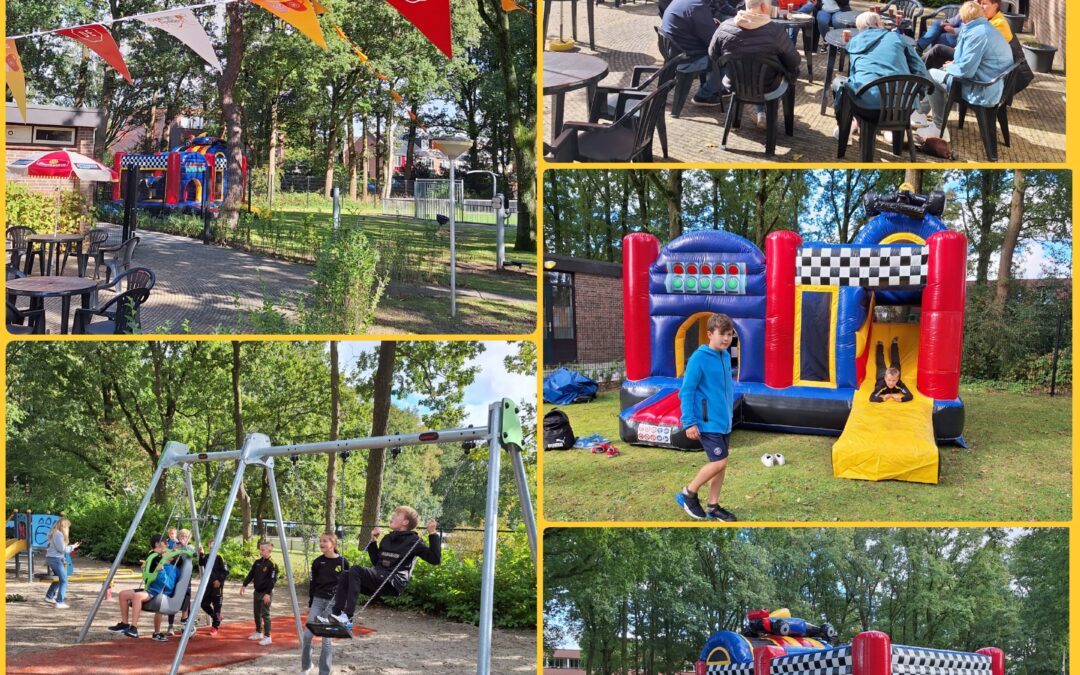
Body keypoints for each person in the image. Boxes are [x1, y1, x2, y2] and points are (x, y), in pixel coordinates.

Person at [323, 506, 441, 627]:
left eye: (397, 515)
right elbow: (376, 562)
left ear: (405, 522)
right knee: (345, 575)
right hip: (379, 578)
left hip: (392, 582)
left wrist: (432, 534)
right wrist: (373, 541)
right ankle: (336, 615)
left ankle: (347, 617)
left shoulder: (414, 541)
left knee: (356, 569)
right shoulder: (387, 538)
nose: (392, 517)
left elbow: (435, 559)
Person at [918, 1, 1013, 141]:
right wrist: (955, 64)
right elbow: (970, 59)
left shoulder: (978, 34)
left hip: (981, 90)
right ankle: (921, 113)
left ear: (962, 19)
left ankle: (938, 128)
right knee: (940, 72)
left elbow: (965, 72)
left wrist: (950, 67)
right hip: (989, 83)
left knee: (932, 74)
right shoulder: (985, 27)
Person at [674, 313, 737, 522]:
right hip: (707, 421)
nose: (726, 339)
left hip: (723, 421)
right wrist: (689, 421)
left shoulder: (726, 356)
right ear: (710, 334)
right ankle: (688, 493)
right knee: (719, 461)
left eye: (729, 335)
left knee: (721, 463)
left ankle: (713, 506)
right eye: (722, 334)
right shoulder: (699, 358)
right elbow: (687, 391)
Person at [708, 0, 801, 128]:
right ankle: (770, 115)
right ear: (763, 7)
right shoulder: (776, 31)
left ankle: (760, 112)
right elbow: (794, 61)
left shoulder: (724, 26)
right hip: (768, 87)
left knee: (758, 69)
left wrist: (732, 64)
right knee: (785, 70)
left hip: (735, 83)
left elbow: (713, 55)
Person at [833, 11, 929, 131]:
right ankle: (892, 137)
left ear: (859, 28)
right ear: (879, 23)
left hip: (867, 108)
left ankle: (846, 128)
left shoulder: (854, 43)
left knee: (840, 83)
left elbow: (854, 77)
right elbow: (920, 69)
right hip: (904, 108)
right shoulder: (897, 38)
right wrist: (919, 92)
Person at [659, 0, 730, 105]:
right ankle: (703, 95)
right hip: (687, 59)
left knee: (718, 55)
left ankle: (716, 87)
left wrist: (709, 21)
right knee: (727, 61)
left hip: (673, 53)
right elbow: (712, 41)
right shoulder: (698, 7)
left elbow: (693, 23)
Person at [300, 533, 351, 675]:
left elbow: (346, 586)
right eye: (320, 541)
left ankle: (324, 672)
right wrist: (310, 603)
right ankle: (306, 666)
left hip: (333, 603)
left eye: (325, 541)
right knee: (307, 635)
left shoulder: (343, 562)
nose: (321, 543)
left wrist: (343, 606)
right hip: (318, 600)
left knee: (326, 640)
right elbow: (313, 584)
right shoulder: (317, 562)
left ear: (333, 544)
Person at [108, 535, 175, 638]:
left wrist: (161, 571)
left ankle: (134, 628)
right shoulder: (155, 560)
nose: (166, 546)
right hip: (150, 588)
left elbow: (168, 585)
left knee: (137, 596)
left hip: (158, 591)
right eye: (165, 543)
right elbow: (148, 578)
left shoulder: (171, 568)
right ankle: (125, 624)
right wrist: (144, 569)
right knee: (122, 594)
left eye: (167, 553)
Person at [921, 0, 1012, 71]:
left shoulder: (998, 24)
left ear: (995, 5)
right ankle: (919, 67)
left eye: (984, 3)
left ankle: (917, 71)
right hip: (971, 56)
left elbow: (976, 55)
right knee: (938, 45)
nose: (981, 7)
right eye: (980, 3)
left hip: (983, 66)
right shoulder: (987, 18)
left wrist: (954, 64)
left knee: (938, 48)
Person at [157, 528, 195, 641]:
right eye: (181, 536)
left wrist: (183, 548)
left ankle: (185, 620)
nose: (183, 538)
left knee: (186, 595)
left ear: (189, 538)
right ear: (178, 537)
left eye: (185, 537)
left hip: (185, 574)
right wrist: (173, 551)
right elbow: (168, 556)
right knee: (173, 596)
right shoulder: (175, 545)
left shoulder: (190, 547)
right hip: (175, 573)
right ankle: (171, 624)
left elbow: (191, 554)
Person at [241, 540, 279, 646]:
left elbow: (272, 581)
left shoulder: (273, 564)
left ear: (269, 550)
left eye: (263, 549)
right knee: (256, 613)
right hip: (257, 592)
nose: (260, 551)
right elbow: (251, 574)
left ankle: (268, 636)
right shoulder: (257, 562)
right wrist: (244, 584)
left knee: (265, 614)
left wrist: (268, 593)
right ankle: (258, 632)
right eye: (260, 549)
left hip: (266, 593)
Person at [44, 518, 80, 609]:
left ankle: (49, 596)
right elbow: (62, 550)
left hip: (52, 558)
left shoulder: (54, 533)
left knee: (59, 579)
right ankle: (60, 602)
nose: (68, 528)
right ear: (64, 526)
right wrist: (72, 547)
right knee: (64, 580)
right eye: (67, 526)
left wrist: (73, 546)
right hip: (55, 559)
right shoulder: (58, 534)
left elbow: (61, 548)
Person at [198, 539, 230, 637]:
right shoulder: (207, 556)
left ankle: (215, 626)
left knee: (217, 606)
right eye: (211, 544)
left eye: (215, 544)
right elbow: (201, 563)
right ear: (209, 545)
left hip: (217, 585)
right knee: (203, 603)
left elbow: (225, 571)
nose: (212, 545)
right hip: (208, 584)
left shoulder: (220, 557)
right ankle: (216, 616)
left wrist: (219, 580)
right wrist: (201, 553)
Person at [869, 338, 914, 403]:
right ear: (885, 378)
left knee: (896, 363)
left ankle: (894, 343)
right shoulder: (881, 385)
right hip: (881, 376)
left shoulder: (899, 383)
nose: (891, 383)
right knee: (880, 363)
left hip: (892, 374)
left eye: (894, 380)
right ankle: (880, 345)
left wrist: (901, 399)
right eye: (889, 380)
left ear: (898, 379)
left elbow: (910, 396)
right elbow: (872, 398)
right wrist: (882, 399)